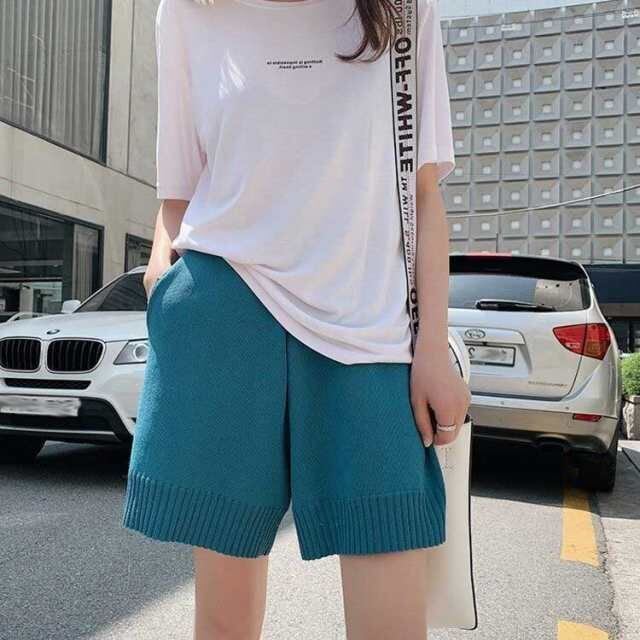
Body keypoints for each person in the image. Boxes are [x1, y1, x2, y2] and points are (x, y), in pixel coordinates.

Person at [121, 0, 471, 637]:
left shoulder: (401, 9)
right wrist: (162, 280)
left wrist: (433, 349)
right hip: (223, 319)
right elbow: (179, 194)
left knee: (391, 623)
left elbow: (423, 192)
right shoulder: (189, 11)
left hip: (369, 333)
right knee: (223, 624)